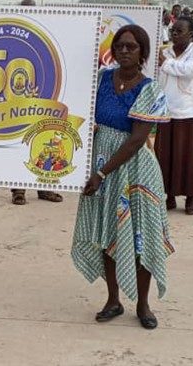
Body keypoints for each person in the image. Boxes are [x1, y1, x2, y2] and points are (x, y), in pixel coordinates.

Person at [71, 24, 172, 330]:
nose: (125, 51)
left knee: (141, 237)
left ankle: (142, 303)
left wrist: (101, 173)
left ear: (143, 52)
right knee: (107, 235)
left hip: (134, 172)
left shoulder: (151, 89)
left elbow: (136, 140)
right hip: (101, 167)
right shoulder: (101, 80)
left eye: (132, 47)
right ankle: (113, 299)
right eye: (119, 46)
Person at [9, 0, 65, 205]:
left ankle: (44, 188)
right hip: (15, 103)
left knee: (43, 143)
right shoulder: (12, 37)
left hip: (43, 100)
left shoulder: (46, 36)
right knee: (17, 144)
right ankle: (18, 189)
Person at [154, 17, 193, 215]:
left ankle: (190, 198)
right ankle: (168, 196)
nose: (174, 34)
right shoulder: (164, 52)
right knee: (165, 156)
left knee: (190, 157)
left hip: (190, 112)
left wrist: (165, 63)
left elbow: (188, 71)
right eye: (173, 30)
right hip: (166, 111)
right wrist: (164, 61)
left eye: (179, 31)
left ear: (192, 34)